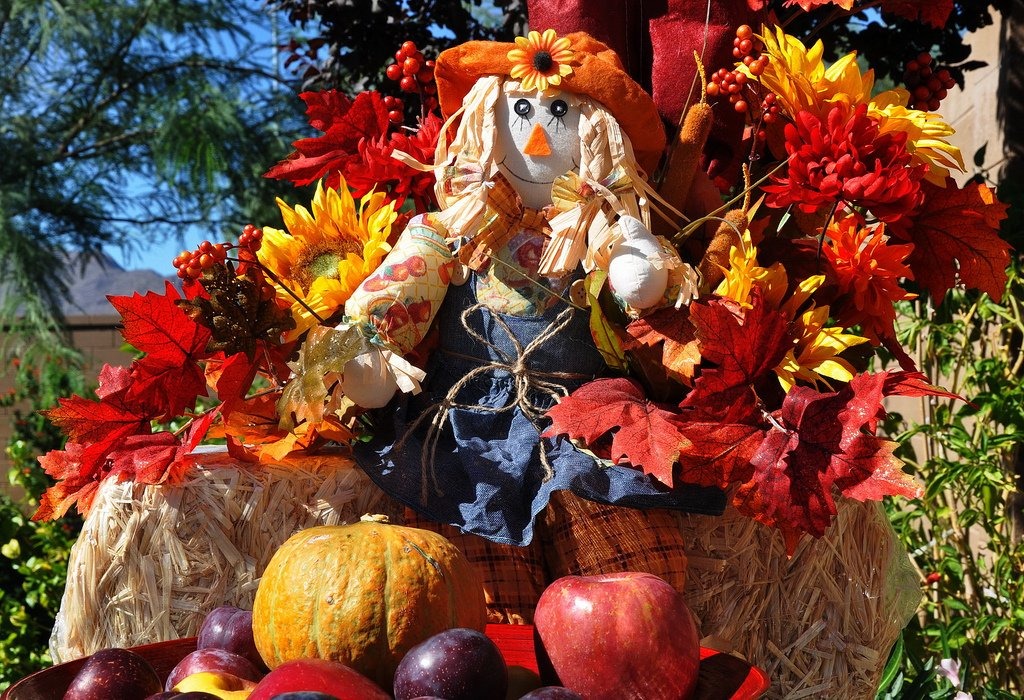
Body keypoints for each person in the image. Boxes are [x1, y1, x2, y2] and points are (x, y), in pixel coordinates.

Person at [343, 31, 724, 622]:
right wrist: (373, 345)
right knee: (480, 596)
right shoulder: (457, 230)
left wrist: (635, 267)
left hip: (585, 423)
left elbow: (643, 288)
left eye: (561, 114)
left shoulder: (597, 233)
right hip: (468, 427)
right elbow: (404, 282)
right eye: (520, 111)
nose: (540, 135)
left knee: (634, 579)